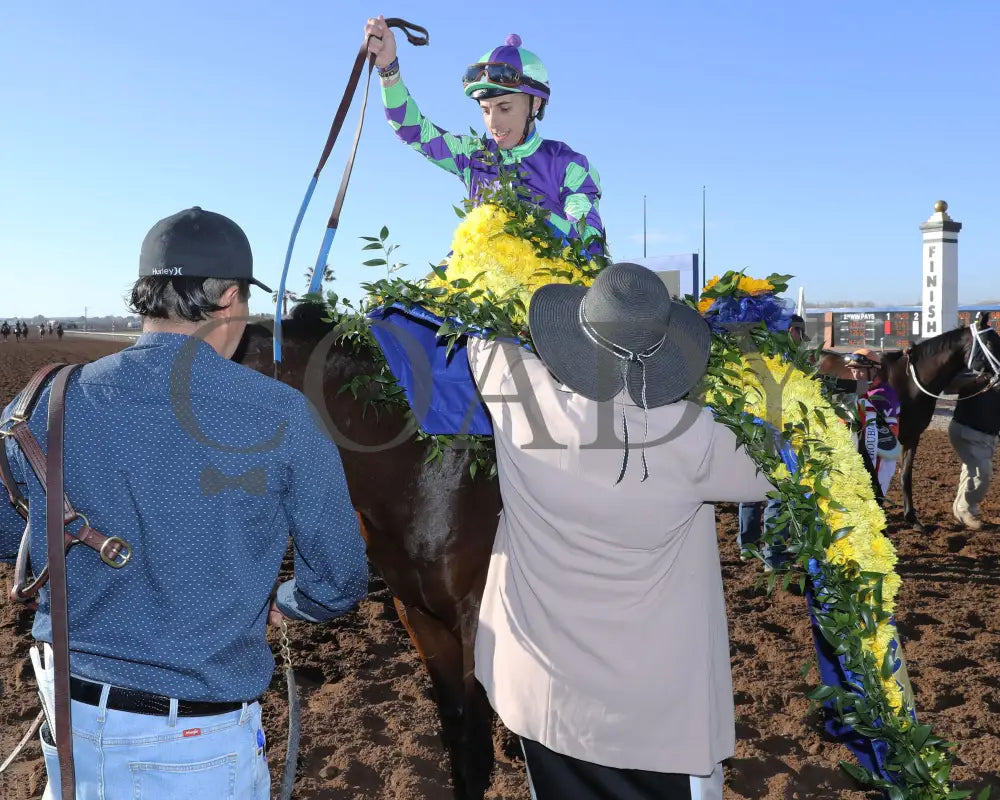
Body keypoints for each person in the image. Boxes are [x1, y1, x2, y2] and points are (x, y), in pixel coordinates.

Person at [0, 207, 368, 799]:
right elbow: (339, 578)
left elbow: (8, 534)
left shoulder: (47, 398)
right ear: (227, 299)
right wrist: (286, 603)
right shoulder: (278, 414)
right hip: (197, 742)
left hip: (69, 723)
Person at [467, 262, 772, 799]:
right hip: (657, 716)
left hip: (546, 699)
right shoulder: (699, 439)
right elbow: (788, 462)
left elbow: (481, 332)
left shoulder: (523, 399)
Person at [364, 16, 605, 252]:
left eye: (505, 108)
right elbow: (412, 130)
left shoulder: (569, 165)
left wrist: (523, 217)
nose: (493, 122)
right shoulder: (473, 155)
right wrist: (388, 68)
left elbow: (587, 241)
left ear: (535, 105)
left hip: (545, 289)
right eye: (485, 110)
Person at [737, 313, 808, 565]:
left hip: (751, 429)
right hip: (776, 430)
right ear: (791, 331)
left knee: (750, 487)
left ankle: (747, 544)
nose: (801, 340)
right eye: (799, 333)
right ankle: (774, 555)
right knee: (778, 491)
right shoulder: (786, 361)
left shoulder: (753, 355)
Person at [845, 348, 901, 500]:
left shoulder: (882, 394)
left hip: (880, 460)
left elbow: (890, 433)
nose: (856, 374)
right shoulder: (864, 393)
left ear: (874, 371)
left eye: (861, 370)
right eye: (853, 370)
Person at [948, 382, 1000, 529]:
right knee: (980, 471)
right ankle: (964, 510)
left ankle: (966, 509)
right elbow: (952, 384)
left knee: (974, 468)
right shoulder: (980, 367)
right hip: (967, 431)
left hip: (987, 436)